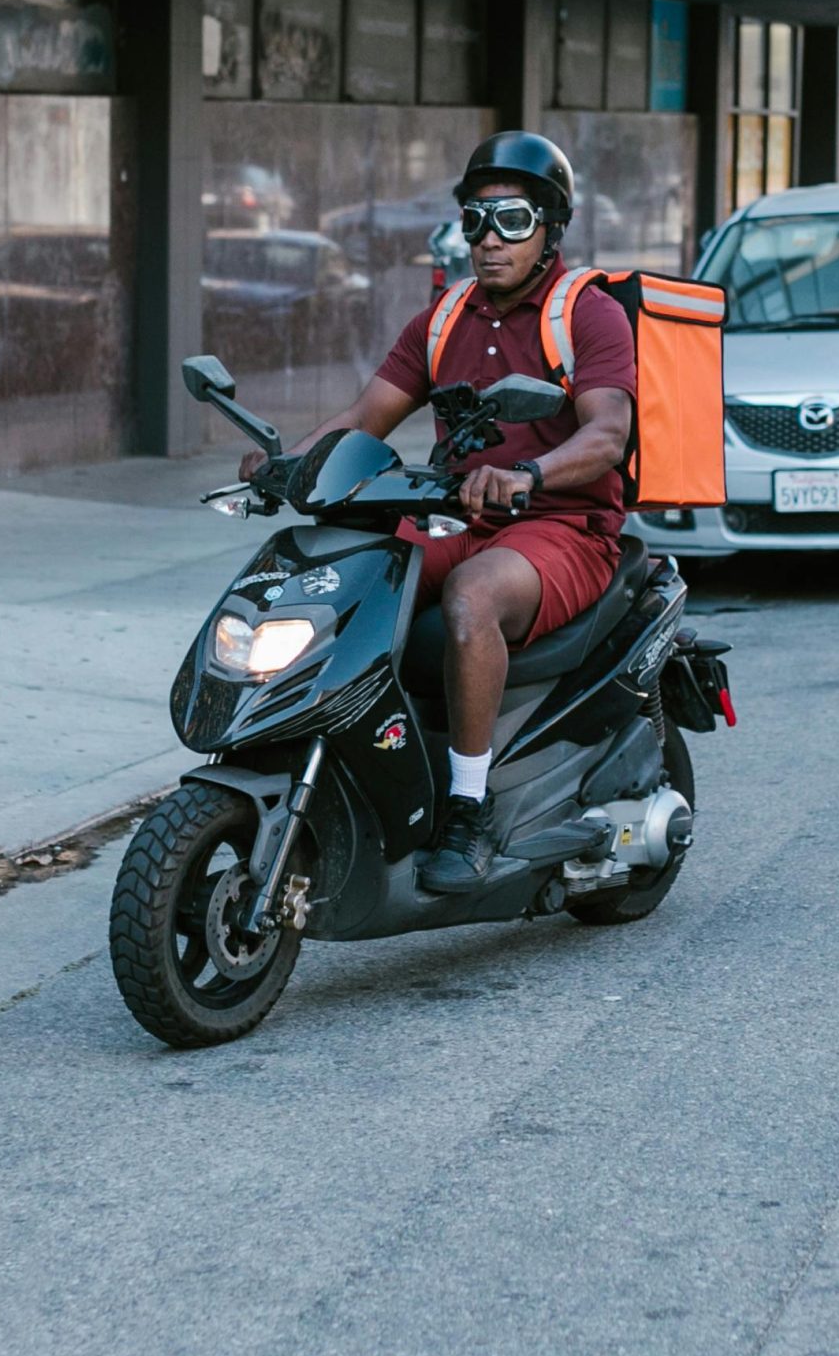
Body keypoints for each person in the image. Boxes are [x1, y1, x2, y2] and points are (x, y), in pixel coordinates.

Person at [238, 132, 636, 894]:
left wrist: (528, 472)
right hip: (460, 514)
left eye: (511, 220)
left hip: (562, 524)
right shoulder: (445, 317)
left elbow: (607, 434)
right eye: (475, 219)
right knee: (344, 574)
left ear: (551, 226)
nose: (488, 240)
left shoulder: (586, 314)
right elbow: (365, 416)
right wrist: (288, 465)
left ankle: (467, 806)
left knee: (472, 596)